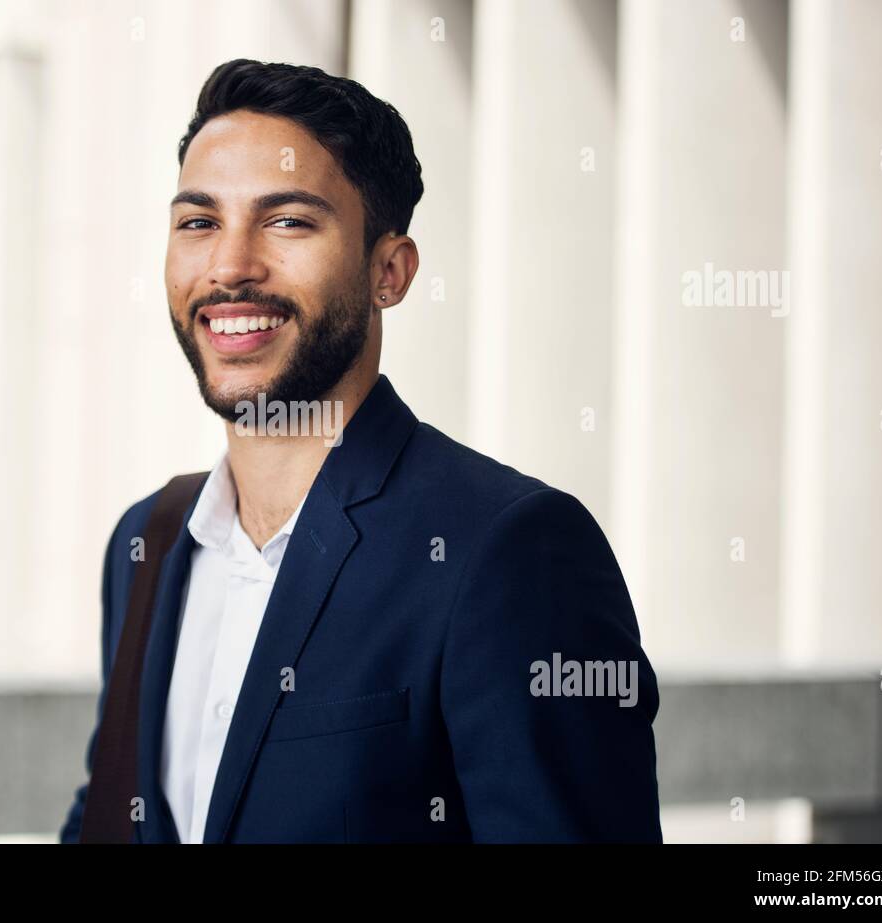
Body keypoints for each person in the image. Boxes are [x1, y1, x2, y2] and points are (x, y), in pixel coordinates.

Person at [60, 58, 661, 843]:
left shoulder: (510, 551)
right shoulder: (148, 540)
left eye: (288, 222)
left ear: (389, 271)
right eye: (199, 222)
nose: (231, 265)